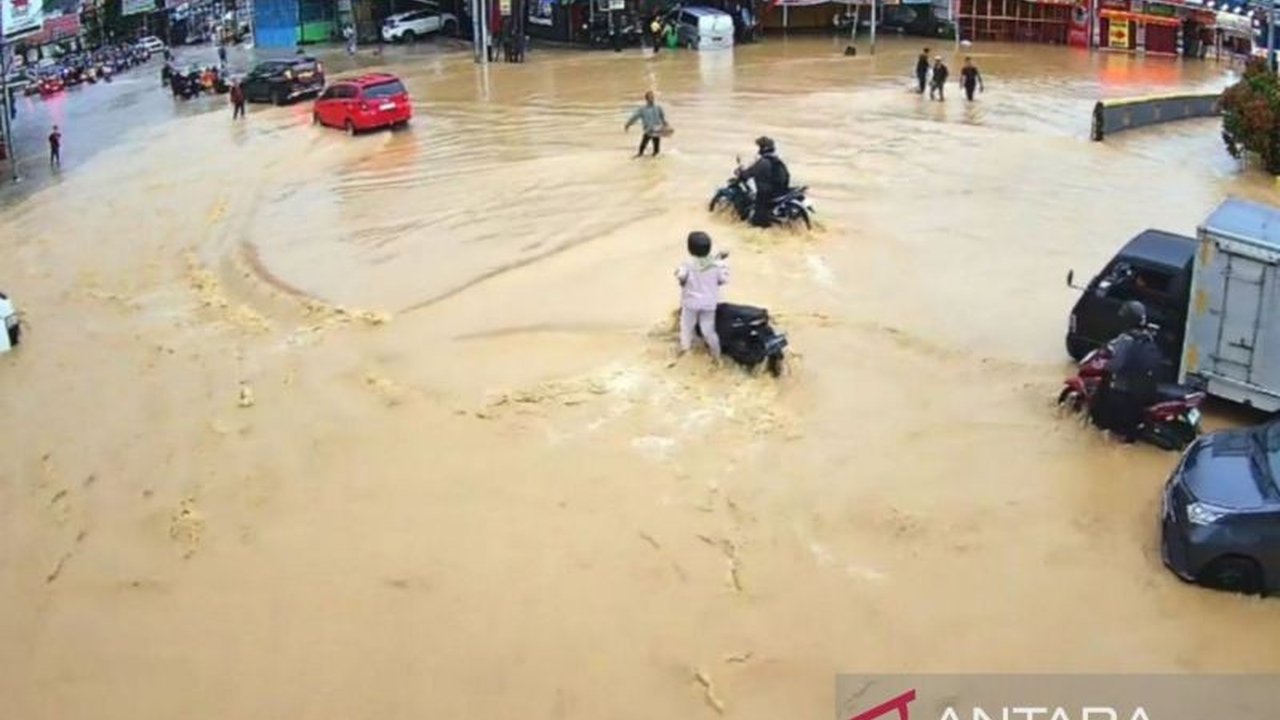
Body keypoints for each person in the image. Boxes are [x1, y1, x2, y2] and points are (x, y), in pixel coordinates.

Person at [1090, 301, 1164, 443]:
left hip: (1123, 395)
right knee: (1127, 431)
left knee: (1110, 429)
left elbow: (1115, 365)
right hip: (1144, 392)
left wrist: (1104, 364)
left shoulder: (1125, 339)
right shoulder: (1148, 336)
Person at [675, 231, 729, 364]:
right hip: (709, 303)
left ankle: (685, 351)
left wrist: (678, 275)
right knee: (708, 330)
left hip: (690, 303)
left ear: (690, 249)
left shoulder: (687, 264)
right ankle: (716, 357)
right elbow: (722, 280)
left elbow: (681, 277)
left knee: (687, 327)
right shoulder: (716, 264)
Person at [736, 136, 790, 228]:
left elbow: (748, 174)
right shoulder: (777, 160)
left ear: (763, 149)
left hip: (767, 194)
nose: (758, 150)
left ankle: (761, 225)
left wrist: (741, 173)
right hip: (781, 191)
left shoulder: (763, 162)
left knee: (756, 223)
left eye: (760, 147)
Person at [624, 91, 669, 158]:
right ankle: (640, 156)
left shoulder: (658, 108)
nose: (652, 99)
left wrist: (666, 125)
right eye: (651, 97)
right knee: (642, 148)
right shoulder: (642, 109)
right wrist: (628, 124)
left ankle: (654, 162)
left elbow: (662, 117)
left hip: (657, 130)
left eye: (653, 97)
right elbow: (634, 117)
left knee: (656, 151)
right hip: (648, 131)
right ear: (647, 99)